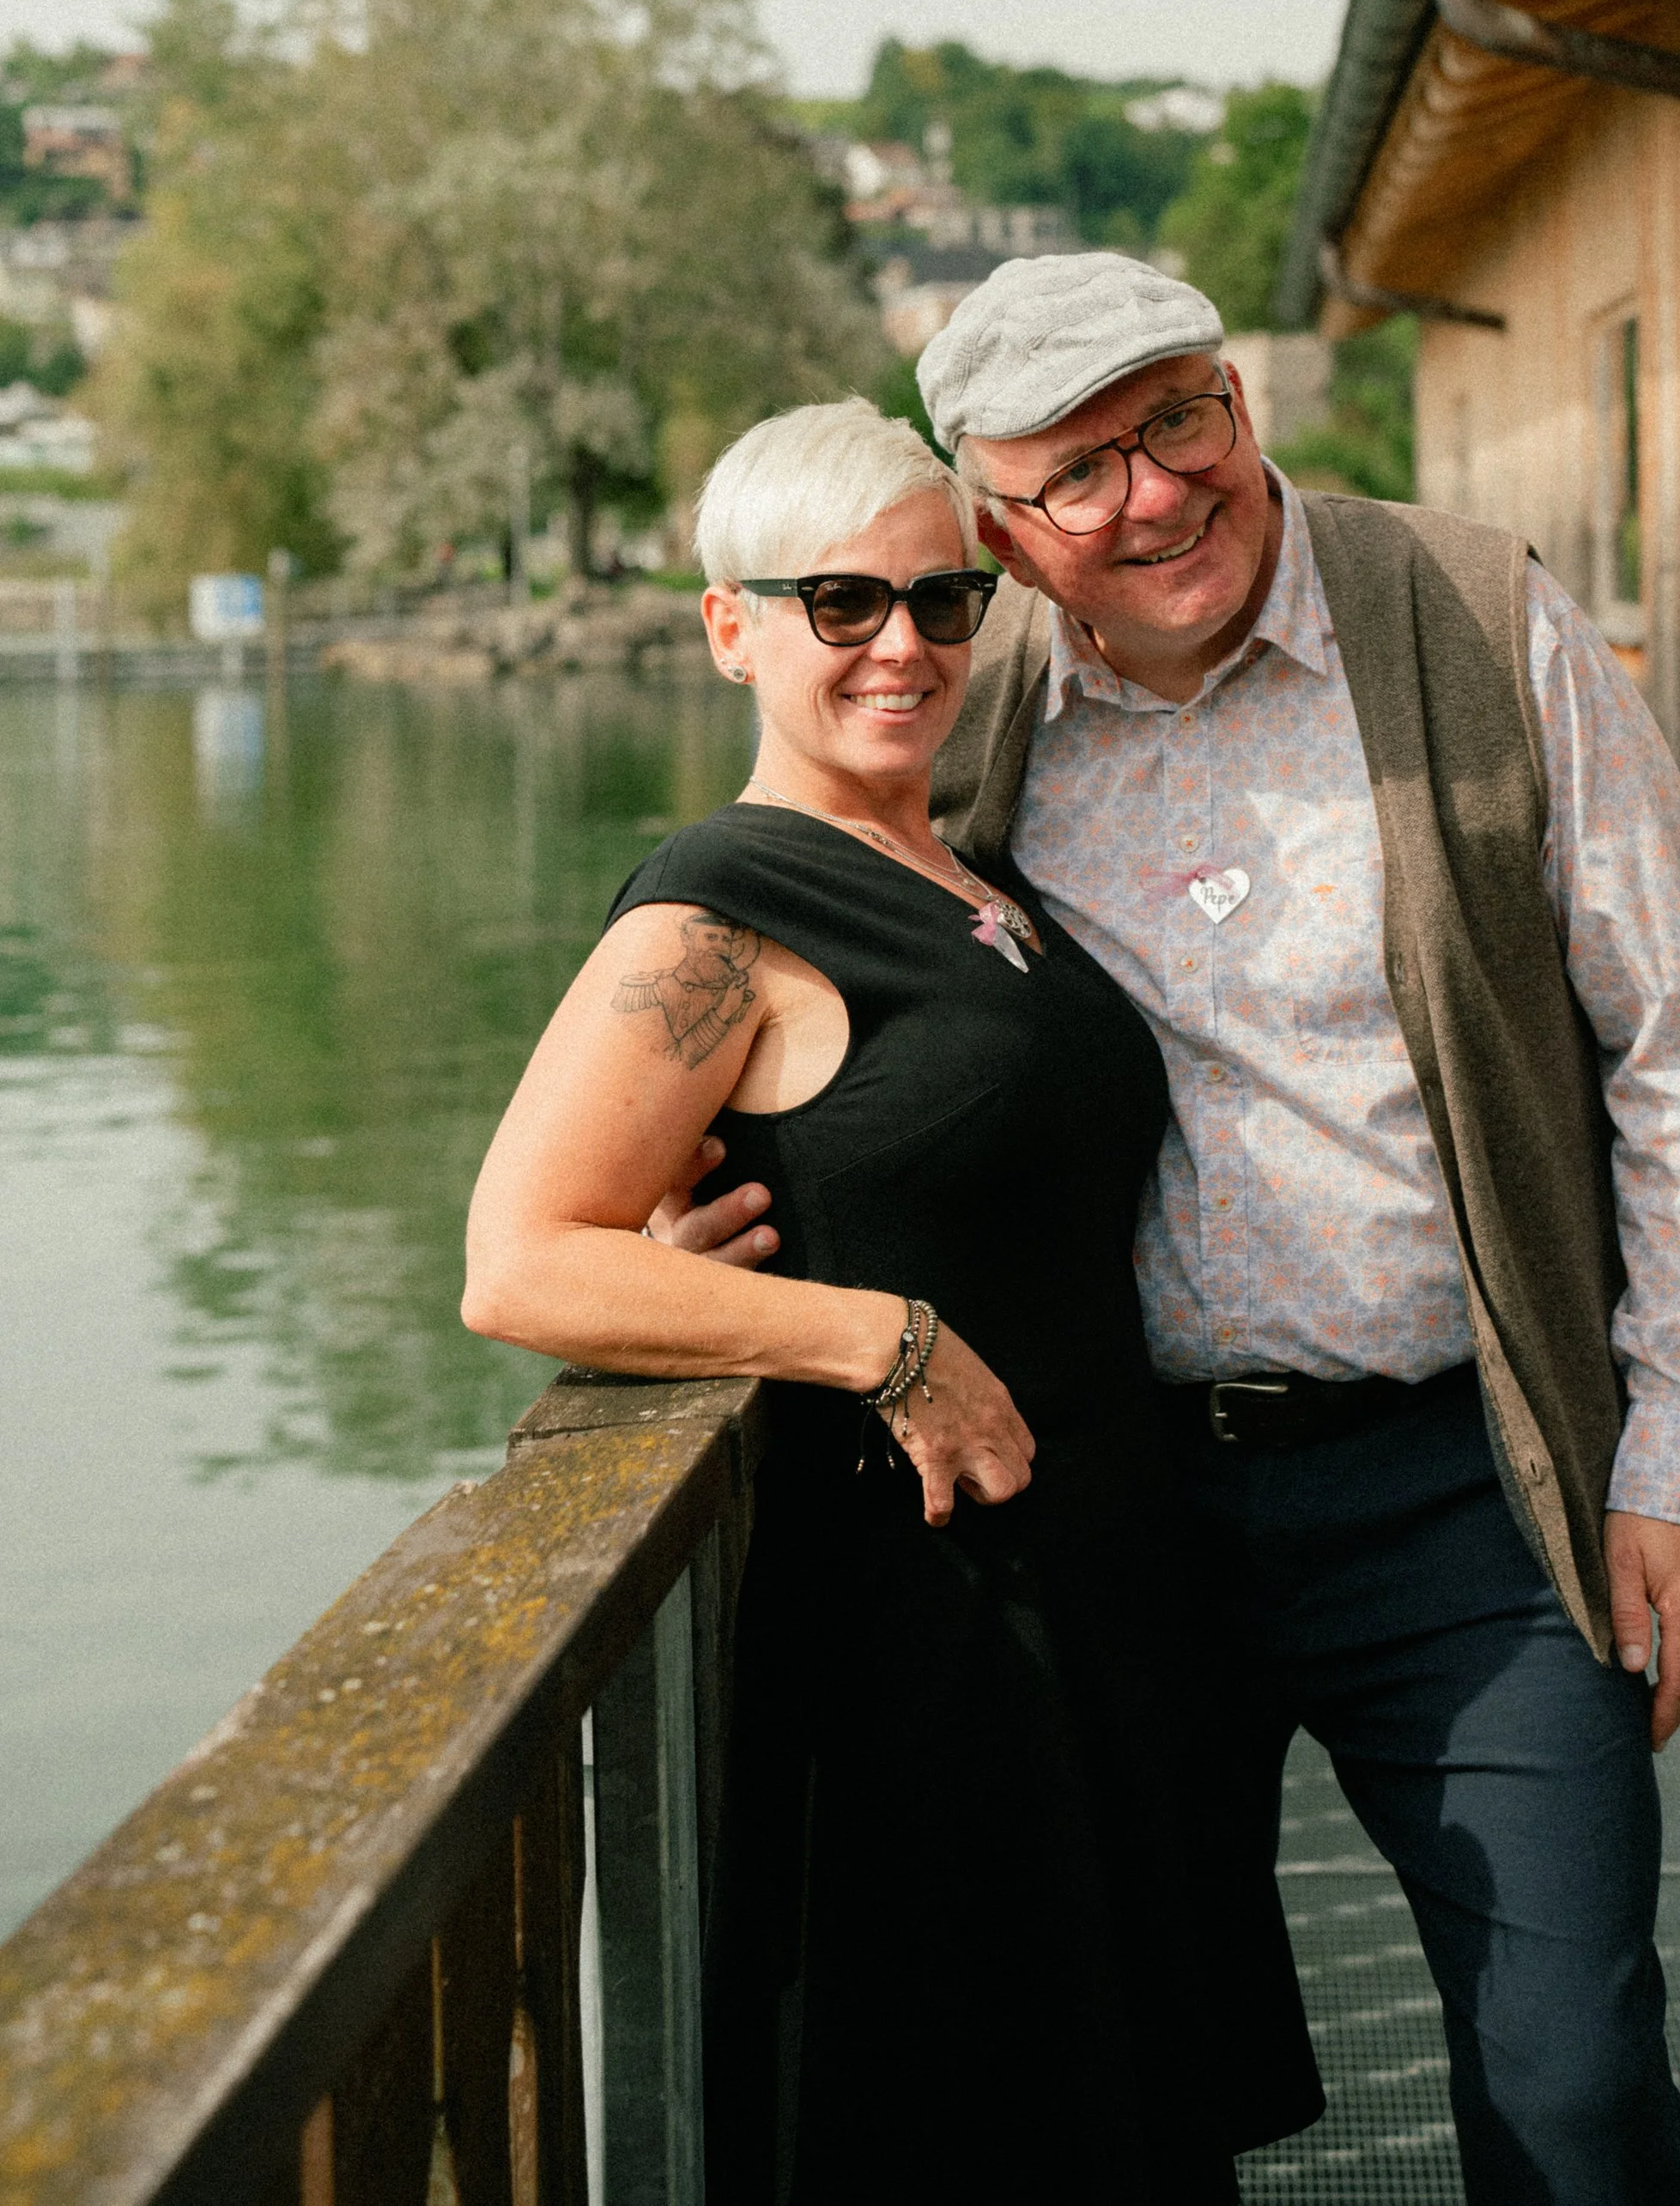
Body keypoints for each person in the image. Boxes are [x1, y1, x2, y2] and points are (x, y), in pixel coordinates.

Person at [905, 249, 1680, 2205]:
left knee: (1569, 2085)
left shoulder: (1473, 613)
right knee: (1138, 2082)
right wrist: (728, 1240)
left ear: (1239, 395)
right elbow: (815, 993)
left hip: (1468, 1493)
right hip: (1117, 1509)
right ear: (996, 526)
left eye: (1175, 420)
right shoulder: (956, 711)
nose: (1149, 492)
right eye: (1074, 472)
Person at [460, 395, 1319, 2206]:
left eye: (942, 602)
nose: (901, 647)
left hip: (1102, 1611)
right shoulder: (714, 917)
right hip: (929, 1637)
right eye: (838, 603)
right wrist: (875, 1338)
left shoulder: (968, 871)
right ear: (730, 626)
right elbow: (522, 1257)